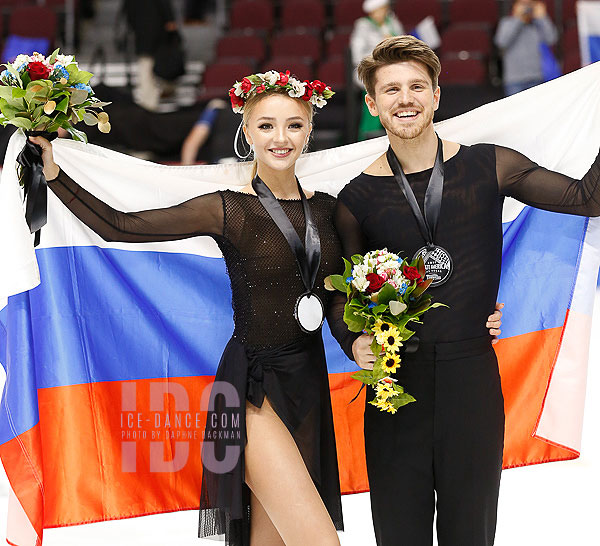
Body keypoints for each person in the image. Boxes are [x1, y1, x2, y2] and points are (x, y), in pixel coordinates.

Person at [28, 69, 503, 545]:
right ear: (247, 132)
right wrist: (54, 175)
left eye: (294, 125)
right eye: (267, 126)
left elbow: (345, 297)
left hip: (307, 385)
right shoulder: (227, 208)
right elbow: (121, 227)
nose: (281, 138)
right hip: (247, 390)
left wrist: (462, 310)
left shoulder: (330, 210)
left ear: (310, 131)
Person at [330, 35, 600, 546]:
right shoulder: (356, 199)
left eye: (416, 86)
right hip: (395, 387)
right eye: (390, 90)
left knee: (470, 535)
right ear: (372, 104)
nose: (404, 98)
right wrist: (351, 339)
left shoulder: (489, 165)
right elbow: (341, 293)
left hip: (471, 380)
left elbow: (588, 198)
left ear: (436, 94)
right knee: (399, 536)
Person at [351, 0, 404, 140]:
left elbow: (404, 43)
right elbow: (357, 55)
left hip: (394, 69)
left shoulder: (392, 22)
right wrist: (381, 46)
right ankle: (368, 136)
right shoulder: (363, 25)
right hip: (371, 70)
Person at [494, 0, 558, 96]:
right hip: (514, 79)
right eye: (523, 4)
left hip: (536, 77)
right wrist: (518, 19)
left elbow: (552, 39)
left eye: (529, 5)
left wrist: (543, 18)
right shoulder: (507, 22)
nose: (527, 8)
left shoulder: (538, 25)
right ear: (514, 6)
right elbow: (501, 42)